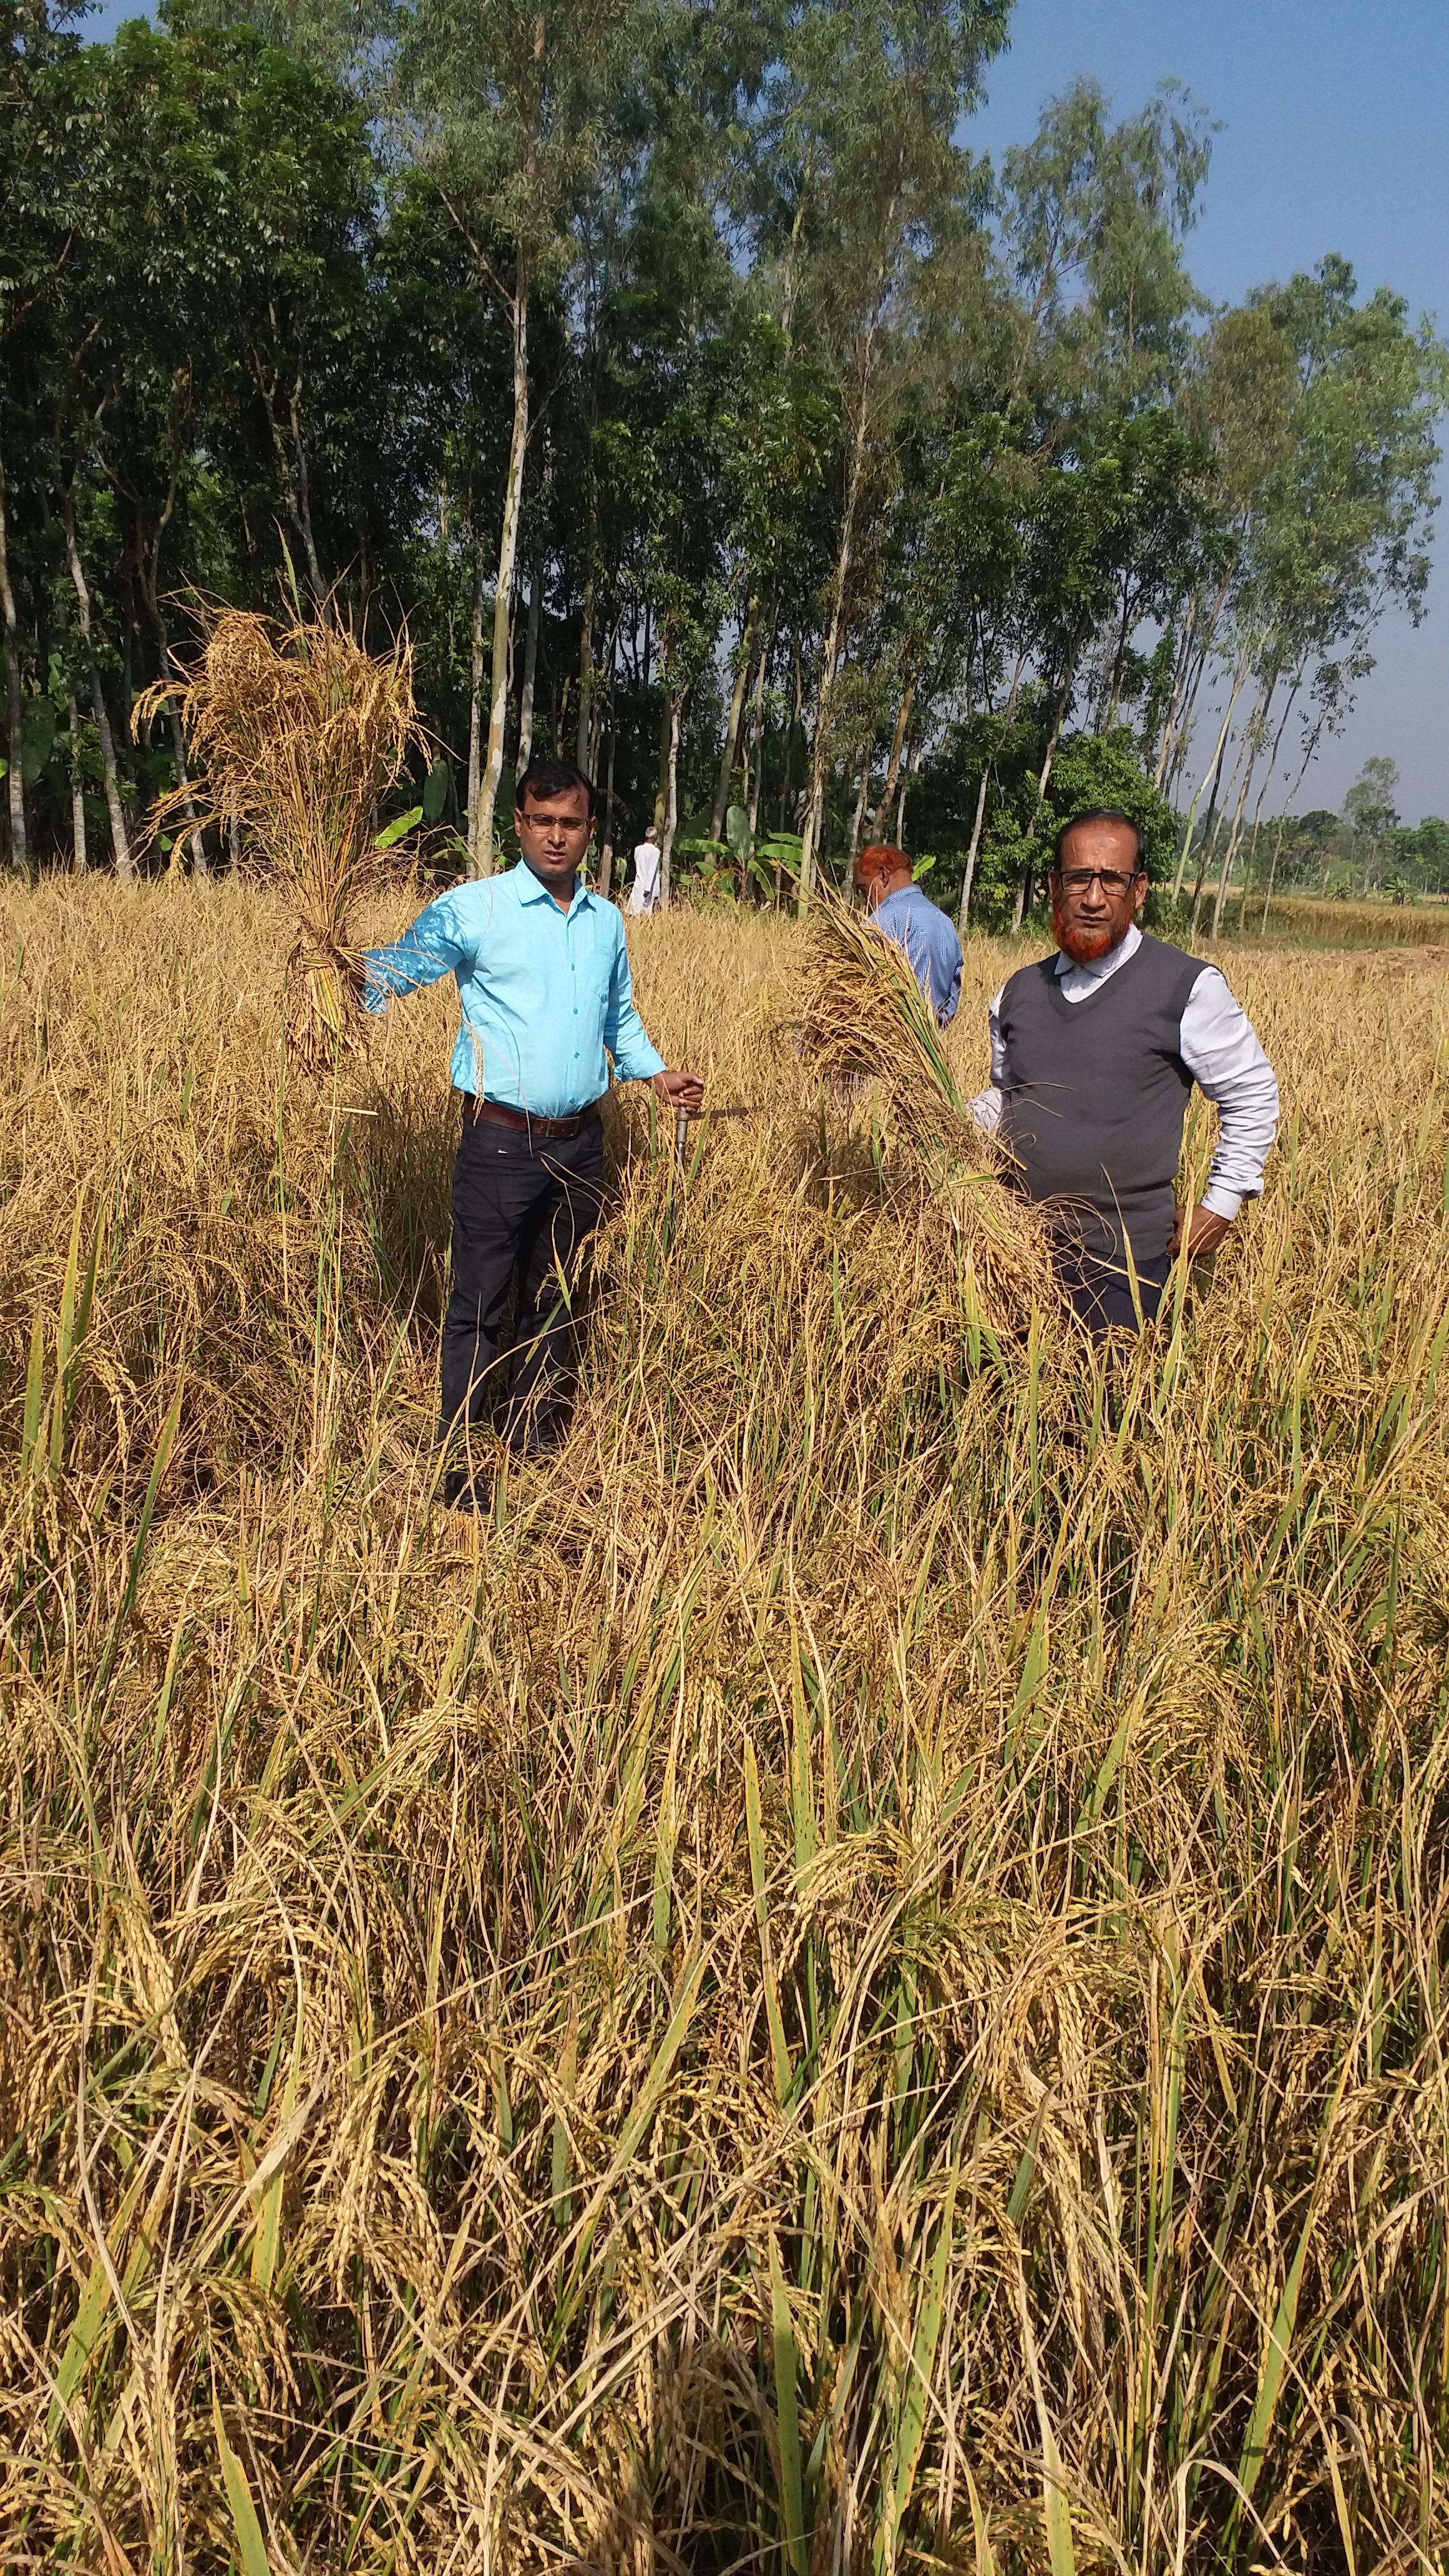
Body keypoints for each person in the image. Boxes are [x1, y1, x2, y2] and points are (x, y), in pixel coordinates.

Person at [361, 757, 703, 1505]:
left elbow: (618, 1018)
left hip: (581, 1141)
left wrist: (656, 1073)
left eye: (570, 823)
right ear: (519, 825)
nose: (556, 836)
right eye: (541, 821)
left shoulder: (607, 920)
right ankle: (460, 1464)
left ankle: (533, 1435)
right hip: (499, 1142)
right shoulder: (473, 909)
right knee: (480, 1300)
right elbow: (399, 970)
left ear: (589, 831)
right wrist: (340, 977)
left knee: (555, 1293)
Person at [970, 807, 1279, 1334]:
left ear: (1138, 891)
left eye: (1111, 880)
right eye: (1078, 879)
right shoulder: (1017, 993)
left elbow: (1252, 1095)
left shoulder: (1185, 987)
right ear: (1053, 886)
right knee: (1006, 1408)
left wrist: (1222, 1205)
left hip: (1121, 1268)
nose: (1093, 898)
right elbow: (1008, 1096)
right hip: (1012, 1253)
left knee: (1103, 1412)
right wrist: (947, 1119)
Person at [854, 842, 962, 1027]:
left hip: (886, 1043)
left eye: (865, 890)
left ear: (883, 876)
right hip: (930, 1048)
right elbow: (950, 1004)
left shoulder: (880, 923)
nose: (866, 902)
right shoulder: (946, 924)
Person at [627, 821, 662, 915]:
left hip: (639, 882)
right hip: (649, 886)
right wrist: (648, 889)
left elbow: (637, 864)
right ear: (654, 837)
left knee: (635, 909)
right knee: (648, 912)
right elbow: (652, 869)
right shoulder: (656, 852)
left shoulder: (638, 849)